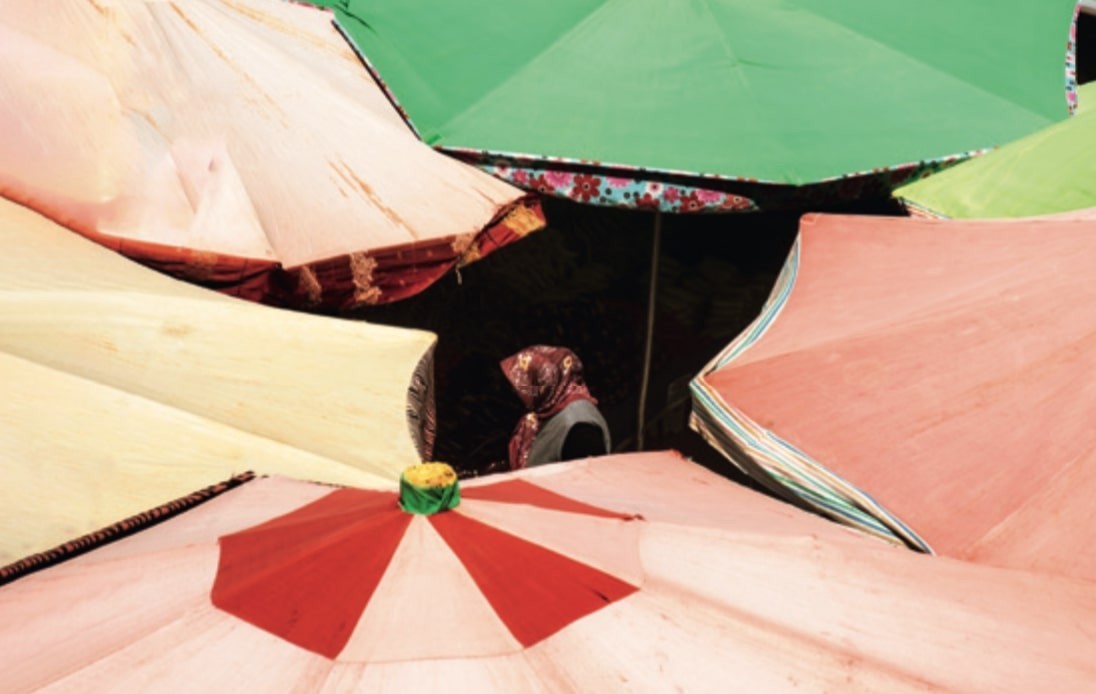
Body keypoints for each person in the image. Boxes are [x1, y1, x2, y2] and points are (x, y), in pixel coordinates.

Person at [500, 345, 611, 470]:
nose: (519, 392)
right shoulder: (551, 409)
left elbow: (585, 482)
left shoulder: (579, 425)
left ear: (543, 382)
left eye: (525, 384)